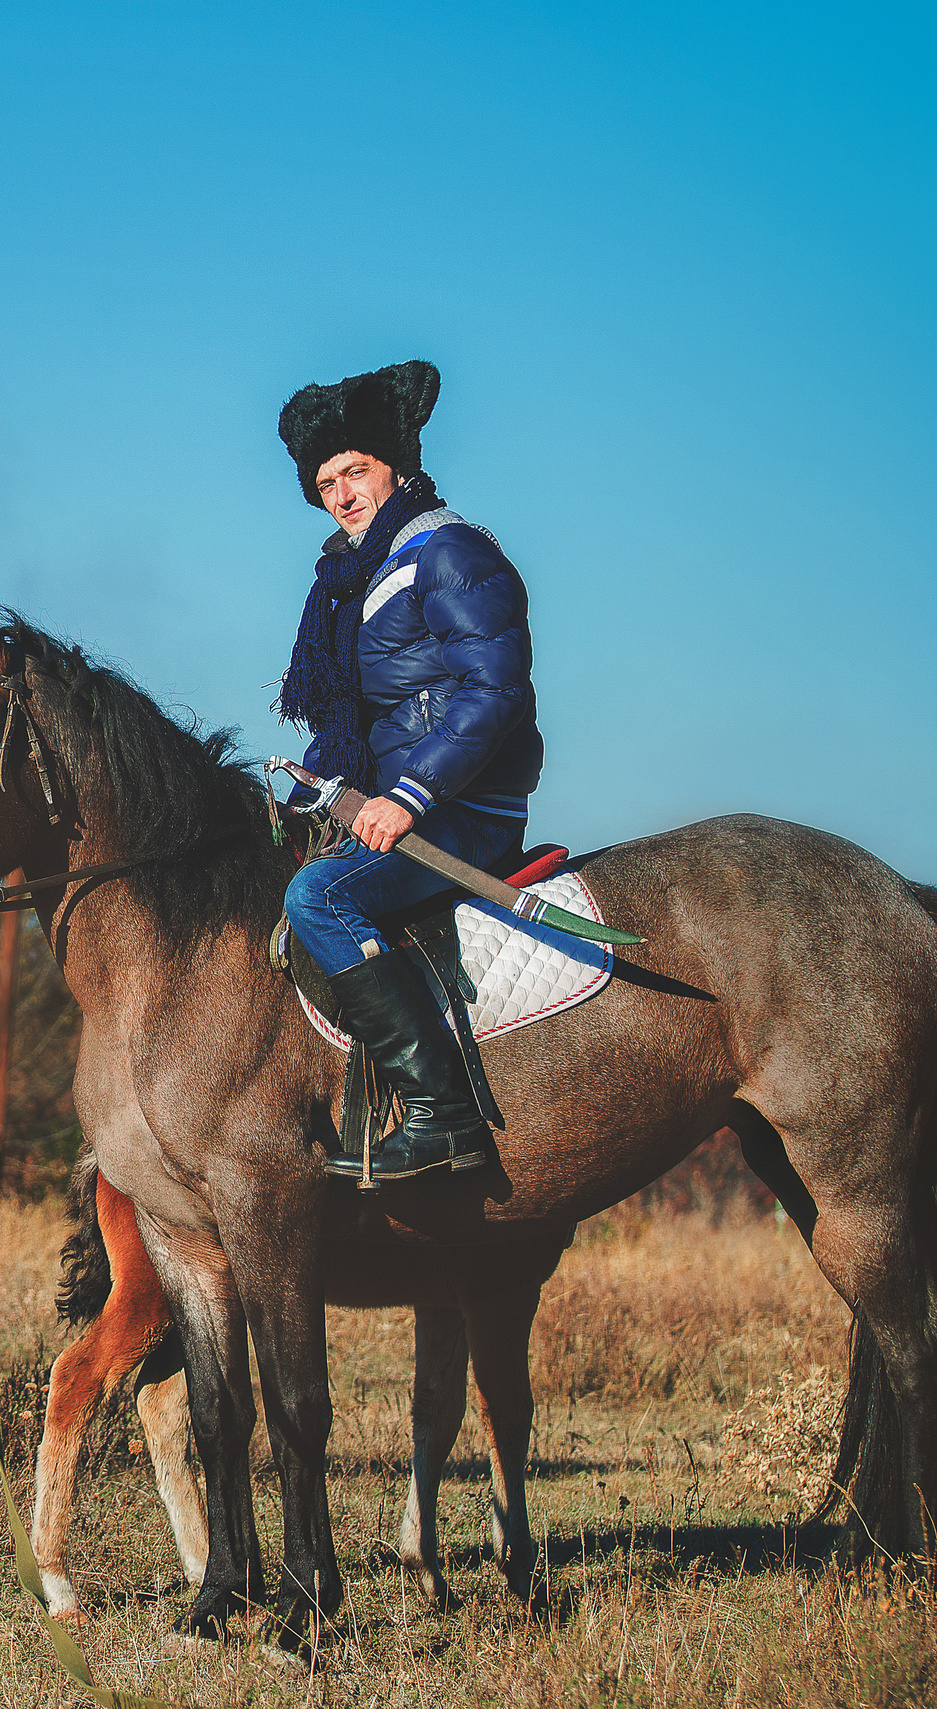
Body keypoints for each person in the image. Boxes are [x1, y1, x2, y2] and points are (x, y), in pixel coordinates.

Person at [274, 360, 542, 1181]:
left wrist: (407, 796)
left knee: (318, 897)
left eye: (356, 471)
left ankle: (442, 1113)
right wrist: (299, 799)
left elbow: (494, 689)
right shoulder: (351, 580)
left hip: (465, 806)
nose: (342, 494)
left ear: (395, 466)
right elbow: (358, 721)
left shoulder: (448, 551)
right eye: (326, 483)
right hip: (393, 801)